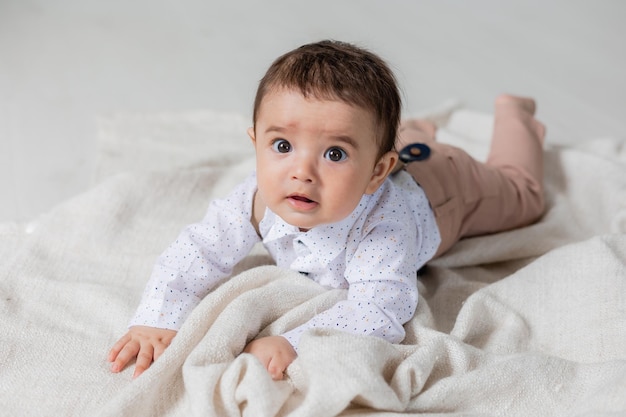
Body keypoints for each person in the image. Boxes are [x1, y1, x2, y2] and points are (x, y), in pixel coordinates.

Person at [108, 40, 545, 380]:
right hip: (393, 155)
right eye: (282, 146)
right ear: (255, 142)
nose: (302, 172)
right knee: (378, 135)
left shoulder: (382, 229)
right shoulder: (256, 199)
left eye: (335, 154)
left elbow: (379, 309)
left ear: (377, 173)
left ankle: (516, 117)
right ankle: (404, 134)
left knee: (524, 196)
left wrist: (293, 342)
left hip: (446, 190)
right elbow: (197, 250)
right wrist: (157, 318)